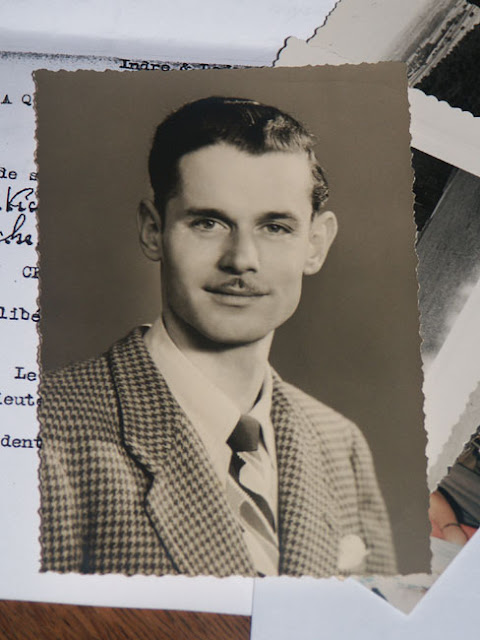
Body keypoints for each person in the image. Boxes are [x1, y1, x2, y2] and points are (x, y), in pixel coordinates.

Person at [39, 96, 396, 578]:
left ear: (315, 244)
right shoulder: (45, 433)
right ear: (152, 230)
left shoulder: (340, 443)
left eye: (275, 226)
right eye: (208, 223)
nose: (241, 259)